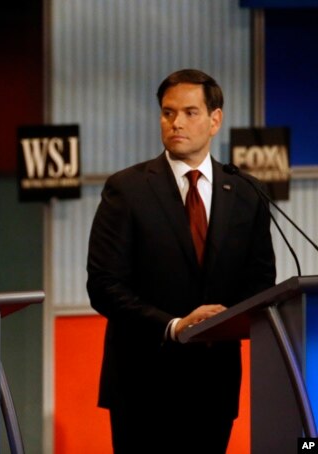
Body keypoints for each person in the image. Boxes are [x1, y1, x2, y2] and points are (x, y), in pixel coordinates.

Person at [86, 69, 276, 453]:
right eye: (168, 113)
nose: (176, 123)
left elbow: (260, 282)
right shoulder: (127, 189)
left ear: (215, 120)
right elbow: (104, 286)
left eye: (190, 112)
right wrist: (173, 326)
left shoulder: (245, 191)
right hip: (143, 385)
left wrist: (227, 319)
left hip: (215, 384)